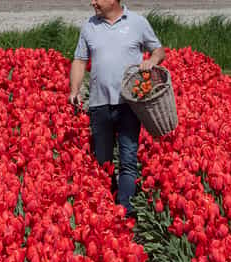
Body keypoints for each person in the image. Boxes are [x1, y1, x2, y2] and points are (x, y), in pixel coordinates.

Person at [69, 0, 166, 218]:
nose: (92, 2)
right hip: (98, 103)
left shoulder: (137, 23)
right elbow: (79, 60)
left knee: (128, 158)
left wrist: (152, 60)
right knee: (103, 161)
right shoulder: (89, 26)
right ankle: (106, 207)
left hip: (129, 103)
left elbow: (159, 50)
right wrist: (74, 90)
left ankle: (125, 212)